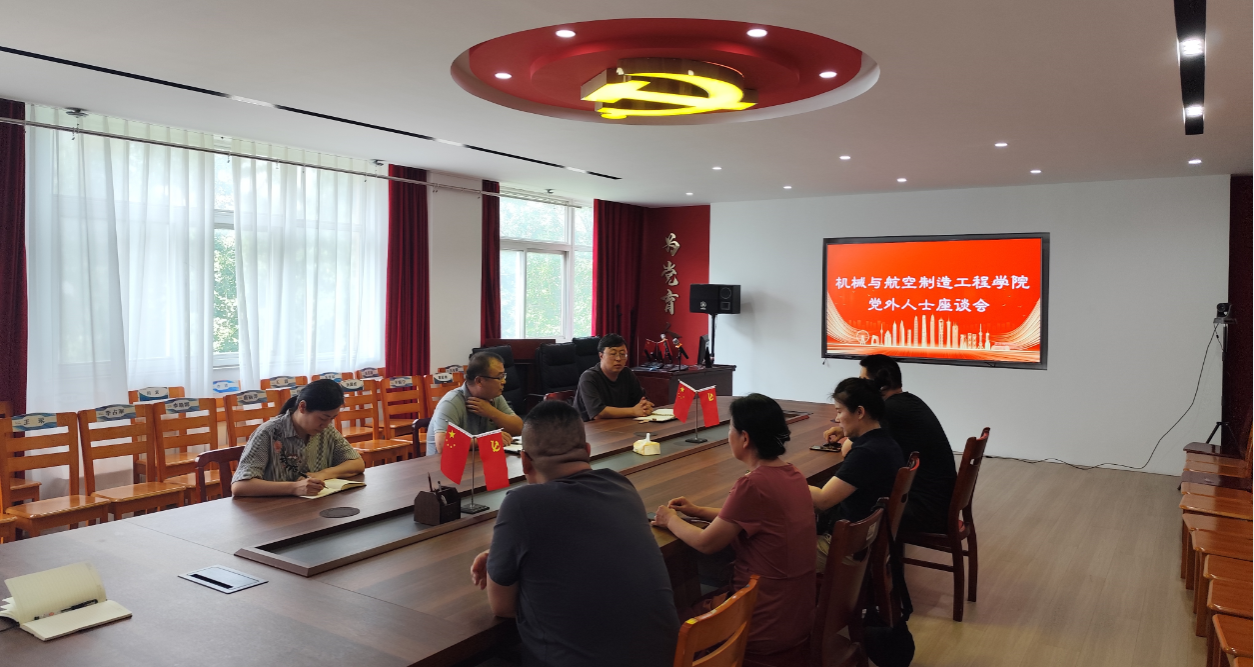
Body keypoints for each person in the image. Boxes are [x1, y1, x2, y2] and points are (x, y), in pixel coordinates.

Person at [470, 400, 679, 667]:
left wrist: (506, 563)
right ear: (588, 451)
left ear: (524, 461)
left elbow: (503, 607)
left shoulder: (521, 503)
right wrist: (506, 553)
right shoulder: (621, 485)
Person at [651, 393, 815, 658]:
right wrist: (698, 511)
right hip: (796, 612)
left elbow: (706, 543)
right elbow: (749, 518)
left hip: (762, 619)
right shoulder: (792, 474)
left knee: (667, 625)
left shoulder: (753, 485)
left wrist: (670, 519)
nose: (728, 435)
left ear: (745, 438)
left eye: (730, 428)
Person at [855, 354, 957, 534]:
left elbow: (852, 448)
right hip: (938, 502)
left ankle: (841, 544)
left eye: (863, 381)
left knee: (854, 496)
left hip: (925, 510)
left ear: (879, 385)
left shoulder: (890, 411)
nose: (860, 388)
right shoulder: (908, 401)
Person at [811, 377, 905, 571]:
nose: (837, 419)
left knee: (770, 554)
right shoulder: (885, 441)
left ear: (860, 412)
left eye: (839, 411)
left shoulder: (867, 453)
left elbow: (822, 500)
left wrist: (783, 476)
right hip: (865, 541)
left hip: (846, 550)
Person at [231, 379, 366, 497]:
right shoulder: (269, 432)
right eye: (323, 418)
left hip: (314, 507)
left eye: (332, 418)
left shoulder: (326, 431)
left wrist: (324, 474)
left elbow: (357, 463)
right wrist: (294, 488)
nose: (326, 424)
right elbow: (240, 486)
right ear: (302, 407)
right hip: (275, 510)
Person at [428, 351, 523, 453]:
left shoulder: (495, 397)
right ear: (479, 381)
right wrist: (485, 440)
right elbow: (442, 445)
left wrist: (492, 413)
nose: (504, 381)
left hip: (476, 459)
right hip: (444, 462)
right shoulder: (451, 402)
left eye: (504, 376)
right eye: (499, 377)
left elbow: (519, 428)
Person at [573, 333, 654, 421]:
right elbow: (598, 413)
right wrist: (633, 411)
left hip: (618, 425)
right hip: (588, 427)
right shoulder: (589, 377)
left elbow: (641, 400)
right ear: (601, 355)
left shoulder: (627, 374)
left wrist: (645, 406)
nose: (618, 359)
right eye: (613, 354)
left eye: (622, 354)